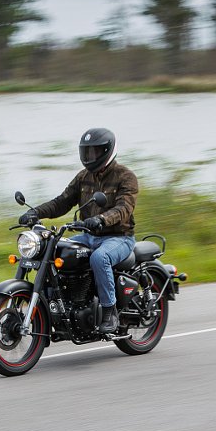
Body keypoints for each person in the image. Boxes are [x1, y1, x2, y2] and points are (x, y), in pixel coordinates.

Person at [18, 128, 138, 333]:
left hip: (119, 238)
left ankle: (110, 313)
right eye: (87, 152)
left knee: (99, 259)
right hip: (88, 236)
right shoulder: (83, 176)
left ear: (108, 151)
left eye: (96, 152)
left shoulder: (125, 177)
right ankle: (60, 305)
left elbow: (124, 209)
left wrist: (101, 219)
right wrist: (36, 212)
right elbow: (62, 202)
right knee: (54, 249)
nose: (91, 156)